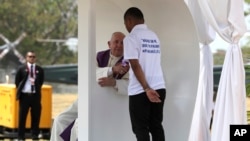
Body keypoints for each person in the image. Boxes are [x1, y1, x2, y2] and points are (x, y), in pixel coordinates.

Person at [50, 31, 129, 141]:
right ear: (109, 44)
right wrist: (112, 70)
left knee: (79, 124)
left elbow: (131, 86)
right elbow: (89, 73)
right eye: (116, 42)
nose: (119, 45)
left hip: (107, 103)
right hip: (88, 96)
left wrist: (114, 83)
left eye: (122, 43)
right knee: (60, 119)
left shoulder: (128, 62)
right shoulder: (99, 56)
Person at [123, 7, 166, 141]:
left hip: (140, 90)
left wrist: (146, 88)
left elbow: (135, 65)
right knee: (156, 127)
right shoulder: (154, 36)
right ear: (143, 20)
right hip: (159, 87)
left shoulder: (131, 38)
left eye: (125, 24)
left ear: (129, 21)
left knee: (140, 129)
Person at [15, 51, 44, 141]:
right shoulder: (21, 69)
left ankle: (34, 135)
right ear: (26, 58)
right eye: (30, 56)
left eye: (33, 57)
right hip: (25, 96)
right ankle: (21, 136)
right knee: (22, 116)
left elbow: (41, 82)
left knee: (36, 115)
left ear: (36, 58)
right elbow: (17, 81)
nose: (32, 58)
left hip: (35, 95)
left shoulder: (39, 69)